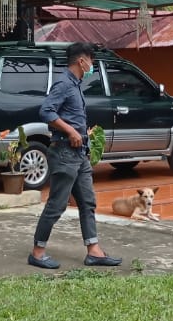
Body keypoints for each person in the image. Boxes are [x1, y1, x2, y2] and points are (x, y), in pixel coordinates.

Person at [27, 43, 120, 269]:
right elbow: (46, 111)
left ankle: (94, 251)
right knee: (57, 205)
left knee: (87, 202)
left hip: (80, 155)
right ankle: (37, 253)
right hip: (64, 152)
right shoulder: (63, 83)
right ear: (82, 60)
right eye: (92, 61)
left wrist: (81, 132)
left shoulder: (76, 85)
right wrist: (69, 130)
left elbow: (70, 114)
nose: (92, 65)